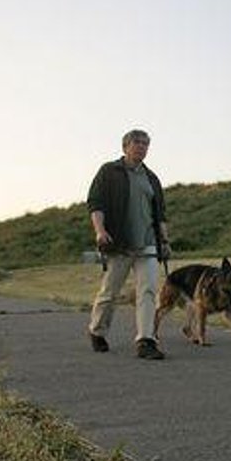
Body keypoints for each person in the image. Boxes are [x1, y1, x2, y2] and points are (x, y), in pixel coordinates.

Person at [86, 129, 171, 359]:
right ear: (125, 146)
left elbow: (160, 214)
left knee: (148, 291)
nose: (142, 147)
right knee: (110, 292)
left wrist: (164, 240)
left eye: (146, 143)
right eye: (137, 143)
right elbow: (96, 203)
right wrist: (100, 231)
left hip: (148, 243)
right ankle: (97, 330)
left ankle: (146, 341)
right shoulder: (109, 171)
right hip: (119, 242)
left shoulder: (152, 178)